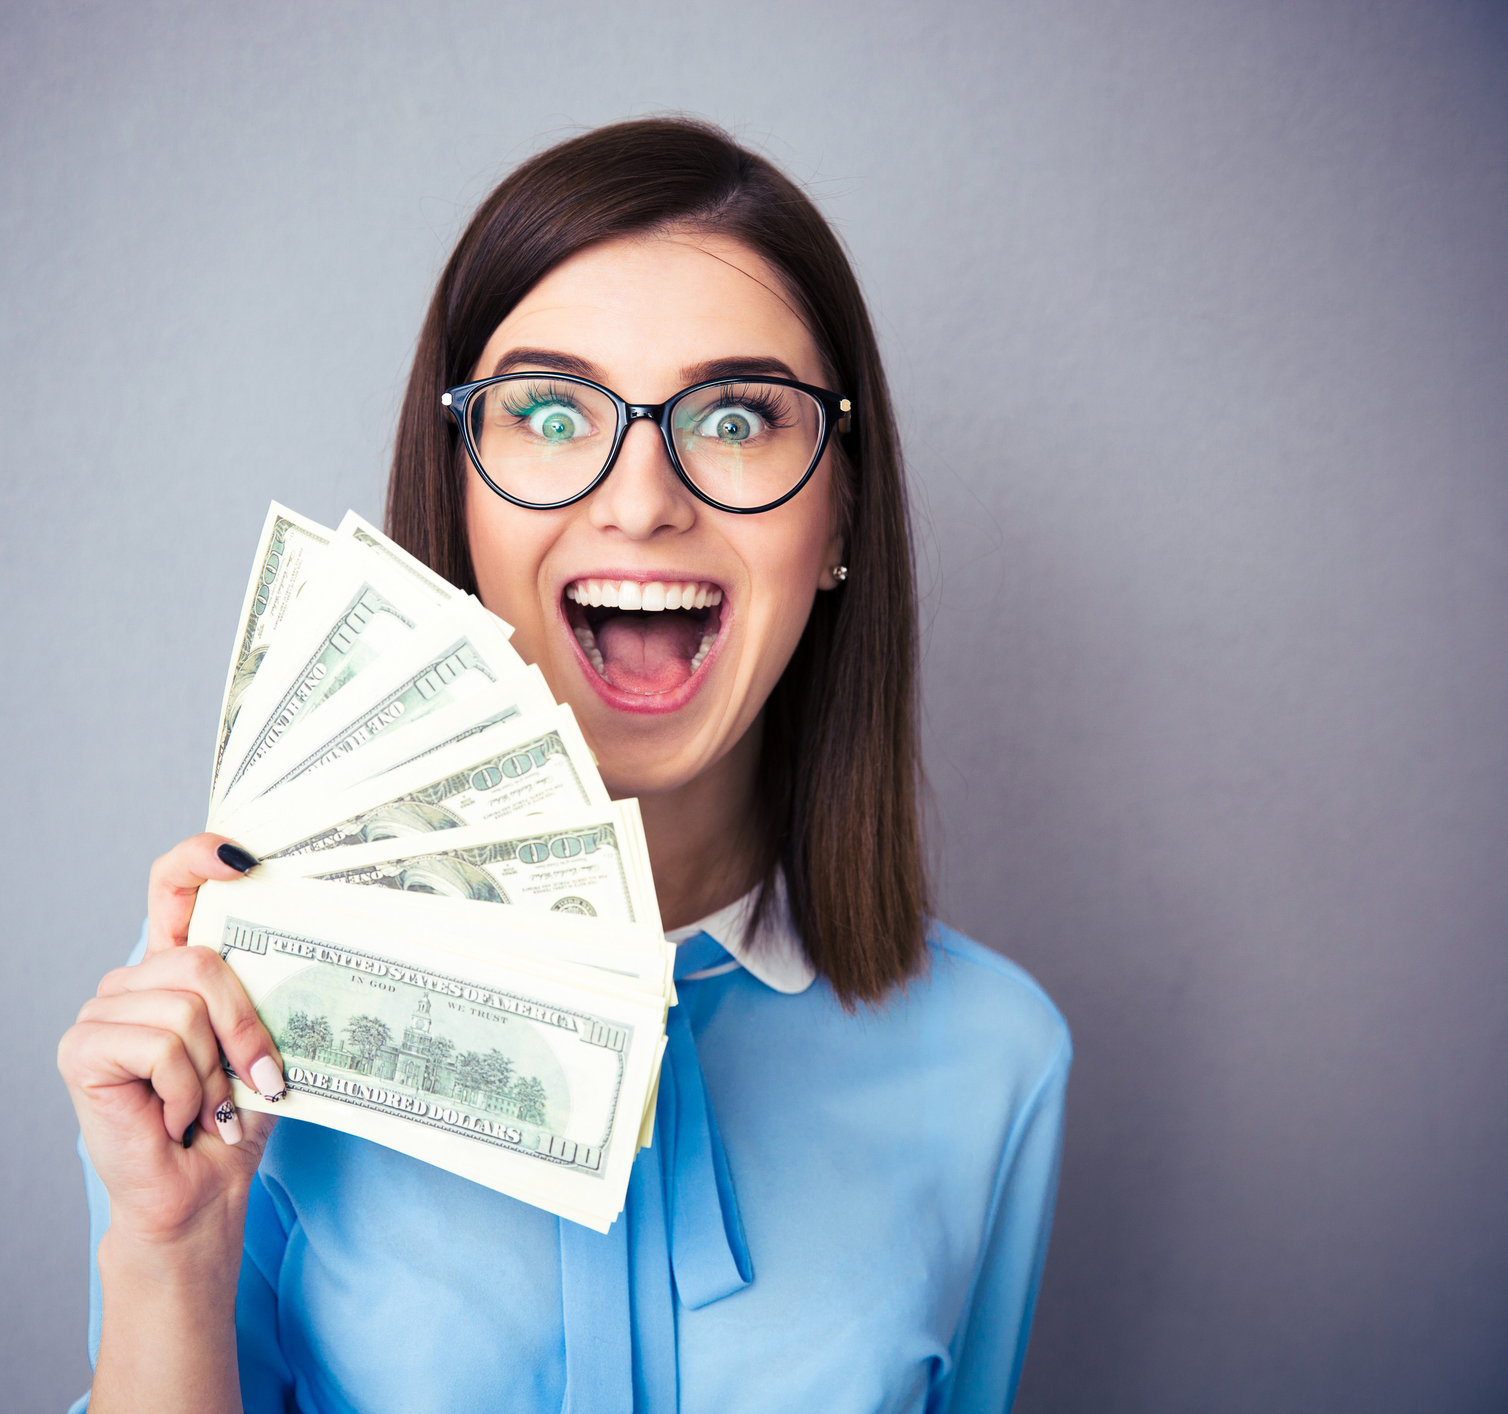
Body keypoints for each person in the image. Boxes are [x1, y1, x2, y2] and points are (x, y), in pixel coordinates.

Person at [57, 117, 1070, 1414]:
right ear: (459, 494)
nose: (641, 500)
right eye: (549, 412)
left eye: (736, 417)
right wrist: (170, 1248)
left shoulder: (997, 1059)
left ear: (841, 516)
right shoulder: (235, 1015)